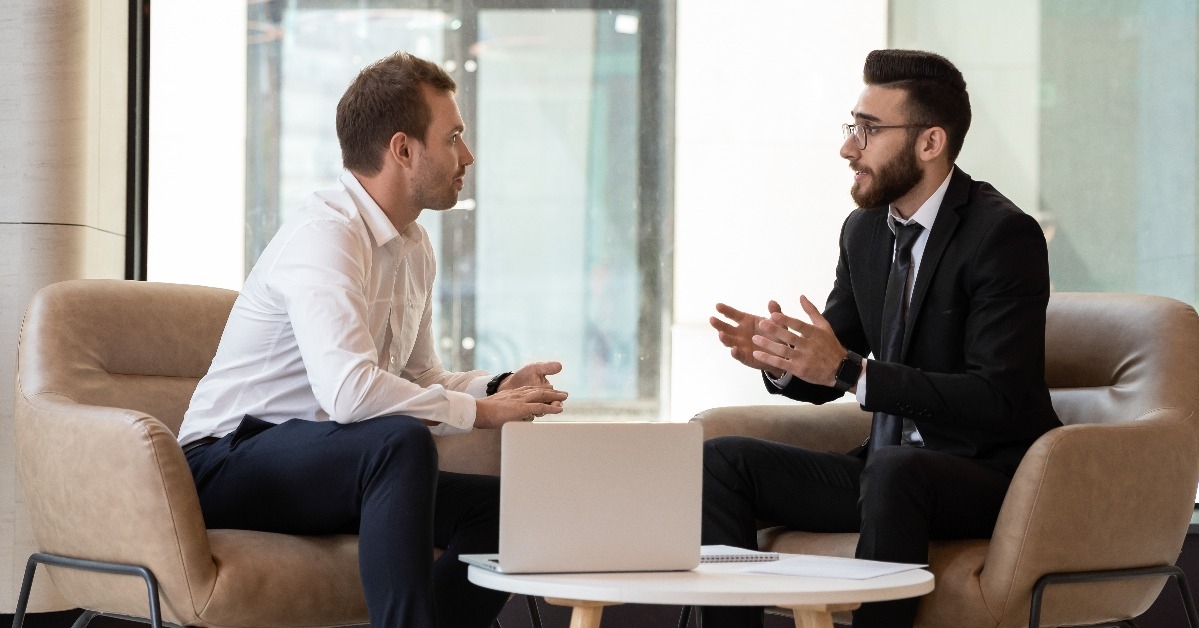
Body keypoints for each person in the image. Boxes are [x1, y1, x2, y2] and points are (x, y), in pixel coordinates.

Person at [176, 51, 569, 628]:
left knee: (512, 510)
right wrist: (480, 412)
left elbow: (420, 378)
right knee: (400, 441)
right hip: (226, 460)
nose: (468, 156)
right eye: (454, 137)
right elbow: (351, 395)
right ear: (403, 148)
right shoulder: (325, 235)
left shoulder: (414, 248)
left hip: (333, 461)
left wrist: (498, 386)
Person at [702, 49, 1061, 628]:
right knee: (721, 461)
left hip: (988, 474)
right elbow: (830, 360)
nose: (849, 149)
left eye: (868, 132)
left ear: (930, 142)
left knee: (896, 471)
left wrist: (849, 371)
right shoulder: (865, 231)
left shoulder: (1003, 236)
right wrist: (782, 358)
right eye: (853, 128)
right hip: (888, 470)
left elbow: (997, 400)